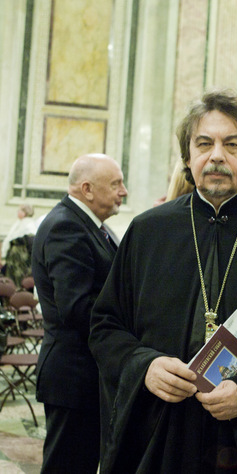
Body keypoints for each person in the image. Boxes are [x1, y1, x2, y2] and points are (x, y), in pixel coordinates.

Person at [88, 89, 237, 473]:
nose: (216, 155)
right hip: (162, 434)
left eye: (232, 144)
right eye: (204, 144)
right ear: (187, 157)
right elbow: (105, 327)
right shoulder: (148, 231)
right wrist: (146, 366)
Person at [31, 153, 128, 473]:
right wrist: (127, 329)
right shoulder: (66, 227)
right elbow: (76, 308)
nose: (124, 191)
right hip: (73, 376)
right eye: (115, 184)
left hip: (86, 374)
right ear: (87, 189)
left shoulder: (88, 225)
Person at [1, 203, 38, 286]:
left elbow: (31, 245)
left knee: (18, 282)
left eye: (20, 210)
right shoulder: (18, 223)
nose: (17, 212)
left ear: (25, 212)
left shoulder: (29, 225)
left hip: (21, 262)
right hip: (13, 261)